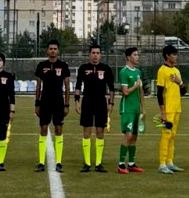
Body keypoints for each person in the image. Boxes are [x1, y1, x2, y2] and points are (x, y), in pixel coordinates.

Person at [75, 44, 115, 173]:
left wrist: (111, 103)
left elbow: (111, 88)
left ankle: (98, 163)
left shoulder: (106, 68)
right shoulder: (83, 68)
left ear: (100, 55)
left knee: (100, 132)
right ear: (89, 54)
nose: (95, 55)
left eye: (97, 53)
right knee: (86, 132)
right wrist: (77, 101)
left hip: (101, 103)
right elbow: (78, 86)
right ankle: (87, 163)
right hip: (87, 102)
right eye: (93, 53)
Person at [34, 40, 70, 172]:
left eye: (55, 48)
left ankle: (59, 162)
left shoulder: (63, 66)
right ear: (47, 51)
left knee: (59, 129)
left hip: (58, 102)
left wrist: (67, 104)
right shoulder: (41, 66)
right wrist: (37, 103)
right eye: (51, 49)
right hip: (45, 102)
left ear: (58, 51)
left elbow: (66, 86)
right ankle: (41, 162)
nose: (53, 51)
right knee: (43, 129)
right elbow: (38, 86)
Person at [155, 44, 186, 174]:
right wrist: (162, 112)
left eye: (176, 54)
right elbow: (159, 93)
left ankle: (170, 162)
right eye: (173, 54)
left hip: (176, 108)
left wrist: (180, 82)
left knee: (173, 135)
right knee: (166, 135)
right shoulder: (162, 70)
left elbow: (183, 91)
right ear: (167, 56)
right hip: (167, 110)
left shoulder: (177, 71)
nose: (176, 57)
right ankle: (162, 164)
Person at [117, 47, 146, 174]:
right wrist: (136, 84)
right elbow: (125, 92)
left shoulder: (138, 72)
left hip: (136, 109)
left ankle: (132, 163)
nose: (137, 57)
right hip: (127, 108)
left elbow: (141, 92)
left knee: (134, 135)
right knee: (128, 135)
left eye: (137, 55)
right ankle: (121, 164)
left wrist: (143, 108)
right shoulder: (124, 72)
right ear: (128, 57)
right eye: (135, 55)